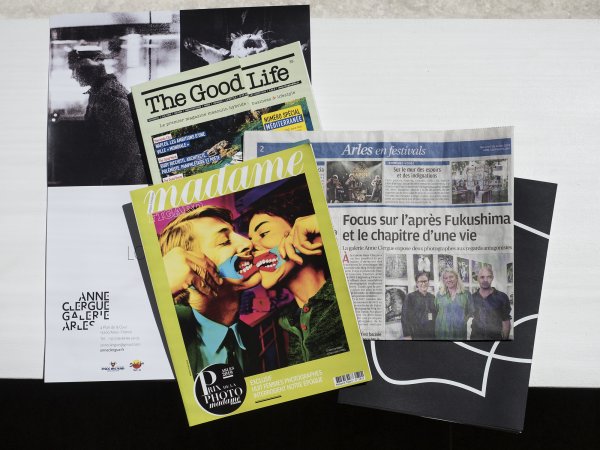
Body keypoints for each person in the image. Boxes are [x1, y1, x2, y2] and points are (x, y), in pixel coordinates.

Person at [245, 180, 349, 364]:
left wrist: (323, 222)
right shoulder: (288, 321)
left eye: (263, 233)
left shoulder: (347, 298)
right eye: (250, 241)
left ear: (303, 232)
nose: (252, 248)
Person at [159, 206, 262, 376]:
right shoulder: (165, 331)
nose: (247, 243)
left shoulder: (249, 336)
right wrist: (160, 285)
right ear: (190, 266)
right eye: (224, 241)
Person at [68, 51, 145, 185]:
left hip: (124, 173)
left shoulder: (107, 96)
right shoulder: (100, 91)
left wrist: (113, 175)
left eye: (75, 70)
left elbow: (131, 139)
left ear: (90, 70)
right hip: (119, 169)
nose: (73, 76)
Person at [470, 267, 512, 340]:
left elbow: (506, 321)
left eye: (488, 277)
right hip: (475, 338)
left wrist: (505, 340)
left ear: (492, 278)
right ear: (477, 279)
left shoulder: (502, 297)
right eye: (482, 277)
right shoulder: (471, 298)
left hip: (495, 339)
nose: (485, 280)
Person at [434, 268, 473, 340]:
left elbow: (471, 312)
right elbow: (435, 311)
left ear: (457, 278)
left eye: (451, 277)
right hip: (442, 332)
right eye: (446, 278)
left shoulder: (466, 294)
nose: (448, 280)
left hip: (459, 332)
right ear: (443, 280)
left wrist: (462, 321)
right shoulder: (439, 295)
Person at [401, 272, 436, 339]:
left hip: (431, 335)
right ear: (417, 283)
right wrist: (407, 335)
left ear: (428, 282)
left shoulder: (432, 297)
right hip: (416, 335)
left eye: (425, 281)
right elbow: (405, 318)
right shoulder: (410, 297)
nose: (423, 284)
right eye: (421, 282)